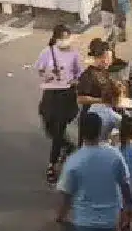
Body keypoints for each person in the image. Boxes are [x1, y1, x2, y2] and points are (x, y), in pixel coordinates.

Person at [55, 111, 132, 231]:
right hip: (110, 221)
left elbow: (66, 196)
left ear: (82, 131)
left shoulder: (74, 160)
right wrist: (129, 209)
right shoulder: (114, 155)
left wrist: (60, 217)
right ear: (100, 129)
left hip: (84, 222)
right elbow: (125, 185)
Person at [37, 24, 83, 183]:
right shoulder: (47, 53)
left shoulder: (74, 54)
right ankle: (67, 146)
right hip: (50, 96)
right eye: (62, 38)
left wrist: (73, 81)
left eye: (67, 37)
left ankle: (52, 164)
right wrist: (49, 75)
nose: (65, 41)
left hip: (65, 97)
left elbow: (79, 74)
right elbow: (41, 71)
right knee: (49, 127)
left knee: (57, 131)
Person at [76, 39, 118, 139]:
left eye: (110, 58)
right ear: (100, 58)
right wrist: (101, 100)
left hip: (104, 116)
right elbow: (80, 99)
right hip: (91, 119)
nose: (109, 61)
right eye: (107, 58)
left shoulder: (104, 72)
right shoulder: (88, 75)